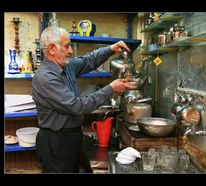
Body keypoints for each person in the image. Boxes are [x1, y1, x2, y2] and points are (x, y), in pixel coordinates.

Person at [32, 26, 137, 173]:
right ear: (51, 49)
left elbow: (89, 60)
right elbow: (77, 106)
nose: (70, 51)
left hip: (71, 137)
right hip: (56, 142)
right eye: (66, 46)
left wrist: (111, 48)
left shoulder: (66, 67)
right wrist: (110, 88)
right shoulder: (45, 77)